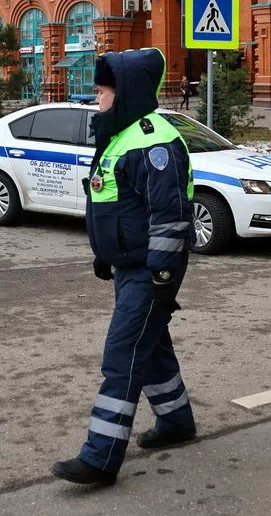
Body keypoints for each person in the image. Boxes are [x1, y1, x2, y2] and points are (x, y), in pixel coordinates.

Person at [52, 48, 196, 488]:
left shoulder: (154, 141)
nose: (96, 100)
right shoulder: (123, 134)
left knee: (122, 354)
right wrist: (105, 254)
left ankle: (100, 458)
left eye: (101, 92)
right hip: (131, 265)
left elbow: (168, 215)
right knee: (149, 348)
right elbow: (114, 203)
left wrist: (163, 274)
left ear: (125, 92)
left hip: (151, 269)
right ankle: (175, 422)